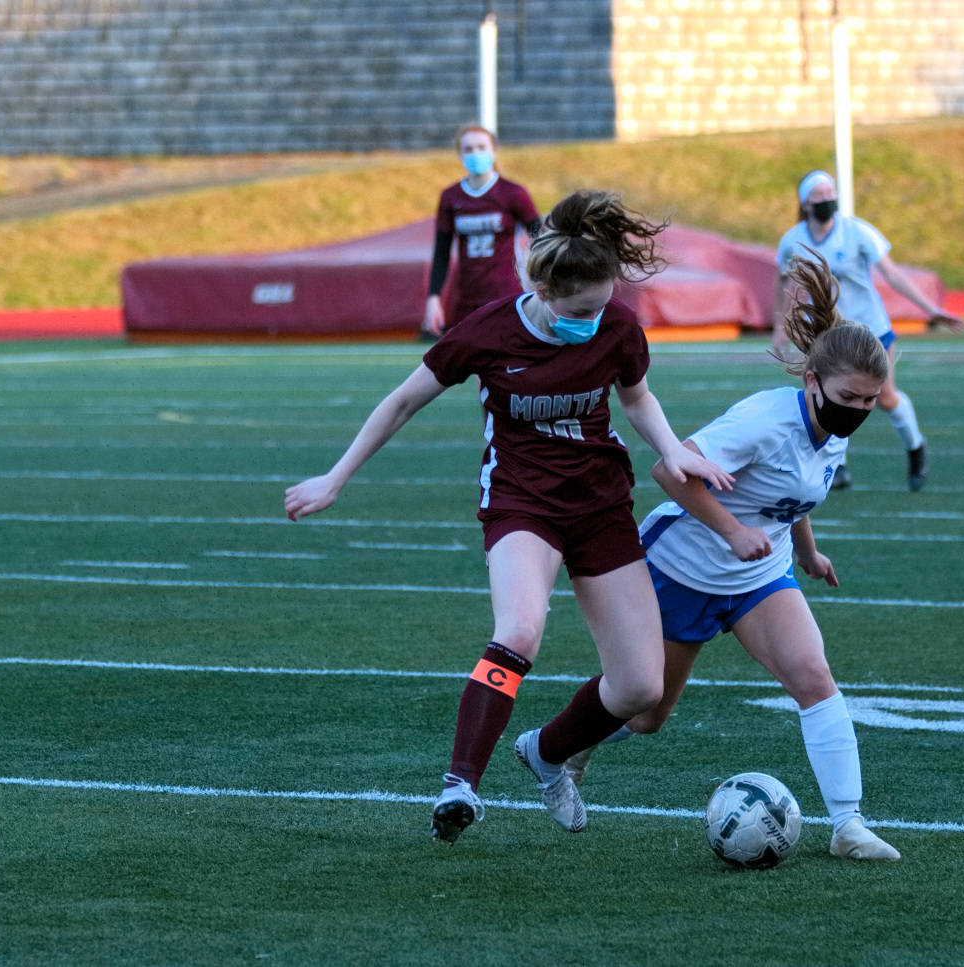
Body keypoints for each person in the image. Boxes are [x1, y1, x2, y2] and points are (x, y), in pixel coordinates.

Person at [285, 189, 733, 844]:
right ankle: (460, 782)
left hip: (602, 504)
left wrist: (673, 450)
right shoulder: (489, 330)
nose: (594, 317)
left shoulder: (617, 325)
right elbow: (403, 400)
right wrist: (335, 475)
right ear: (544, 291)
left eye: (602, 304)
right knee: (519, 628)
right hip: (522, 501)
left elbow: (637, 398)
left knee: (641, 687)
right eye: (580, 309)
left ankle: (547, 752)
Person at [567, 252, 901, 862]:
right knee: (645, 714)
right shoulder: (764, 420)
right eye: (849, 396)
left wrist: (806, 551)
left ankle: (849, 824)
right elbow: (671, 470)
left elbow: (788, 496)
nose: (858, 409)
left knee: (814, 677)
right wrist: (728, 530)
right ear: (812, 383)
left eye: (870, 400)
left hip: (758, 576)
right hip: (682, 568)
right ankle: (568, 739)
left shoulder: (832, 432)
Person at [774, 170, 964, 491]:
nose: (825, 199)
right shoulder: (793, 240)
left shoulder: (857, 231)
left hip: (869, 329)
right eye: (817, 195)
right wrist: (780, 325)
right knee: (824, 397)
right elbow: (783, 281)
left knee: (885, 397)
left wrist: (931, 309)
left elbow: (892, 274)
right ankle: (837, 466)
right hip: (826, 333)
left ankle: (915, 447)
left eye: (829, 192)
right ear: (805, 203)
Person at [423, 123, 541, 337]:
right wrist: (433, 298)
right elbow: (441, 253)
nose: (475, 153)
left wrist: (542, 283)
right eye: (468, 149)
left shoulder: (512, 193)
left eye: (481, 147)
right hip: (467, 297)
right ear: (460, 154)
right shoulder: (451, 197)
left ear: (494, 151)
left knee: (505, 362)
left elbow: (542, 238)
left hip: (506, 293)